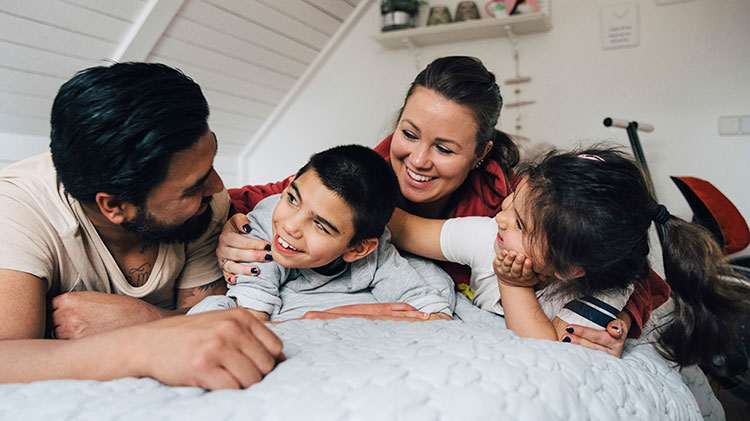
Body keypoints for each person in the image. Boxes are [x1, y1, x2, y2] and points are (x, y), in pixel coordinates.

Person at [218, 56, 670, 357]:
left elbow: (627, 263)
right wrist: (227, 225)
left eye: (445, 148)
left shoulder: (512, 203)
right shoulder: (361, 179)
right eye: (409, 134)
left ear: (480, 153)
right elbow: (258, 198)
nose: (418, 160)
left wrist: (618, 320)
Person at [0, 62, 283, 388]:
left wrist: (147, 320)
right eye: (192, 188)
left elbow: (208, 317)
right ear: (115, 206)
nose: (219, 187)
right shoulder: (18, 212)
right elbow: (8, 356)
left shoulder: (206, 206)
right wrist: (137, 347)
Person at [388, 146, 750, 368]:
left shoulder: (608, 293)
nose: (500, 217)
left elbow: (548, 350)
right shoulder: (490, 235)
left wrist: (512, 283)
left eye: (520, 224)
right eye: (509, 202)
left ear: (569, 268)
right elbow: (405, 229)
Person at [189, 145, 454, 321]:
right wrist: (330, 315)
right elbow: (251, 318)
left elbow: (431, 312)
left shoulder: (375, 255)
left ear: (358, 249)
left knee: (433, 276)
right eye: (293, 199)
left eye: (320, 225)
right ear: (290, 184)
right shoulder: (262, 230)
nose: (291, 226)